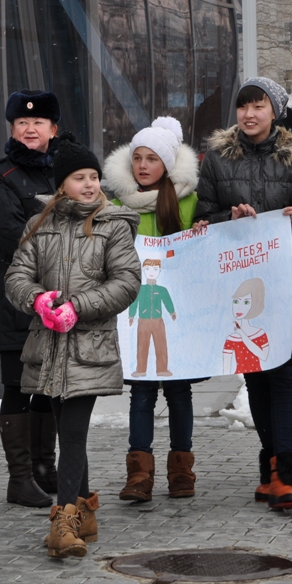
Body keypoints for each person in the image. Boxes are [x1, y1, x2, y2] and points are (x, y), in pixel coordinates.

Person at [5, 138, 141, 559]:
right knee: (67, 431)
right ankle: (85, 511)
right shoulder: (39, 224)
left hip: (88, 347)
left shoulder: (113, 225)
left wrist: (77, 307)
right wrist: (38, 300)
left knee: (74, 435)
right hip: (48, 347)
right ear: (62, 184)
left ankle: (63, 523)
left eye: (94, 177)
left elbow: (126, 282)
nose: (89, 184)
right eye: (79, 177)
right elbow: (16, 276)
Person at [194, 76, 292, 510]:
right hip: (238, 285)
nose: (249, 114)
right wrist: (230, 216)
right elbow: (202, 217)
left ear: (275, 111)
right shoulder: (217, 159)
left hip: (283, 281)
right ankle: (270, 467)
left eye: (258, 105)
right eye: (243, 106)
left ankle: (286, 470)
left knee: (281, 374)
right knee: (256, 376)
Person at [102, 116, 200, 502]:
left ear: (168, 165)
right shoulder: (114, 205)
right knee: (141, 394)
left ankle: (182, 471)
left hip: (178, 315)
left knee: (179, 393)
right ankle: (139, 474)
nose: (143, 166)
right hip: (134, 315)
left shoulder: (188, 200)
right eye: (137, 158)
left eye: (152, 159)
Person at [0, 90, 63, 509]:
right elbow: (13, 236)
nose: (30, 129)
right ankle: (20, 478)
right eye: (21, 124)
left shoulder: (68, 171)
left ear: (54, 129)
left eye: (39, 122)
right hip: (19, 298)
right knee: (18, 385)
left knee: (49, 384)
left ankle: (47, 468)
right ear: (12, 129)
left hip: (62, 297)